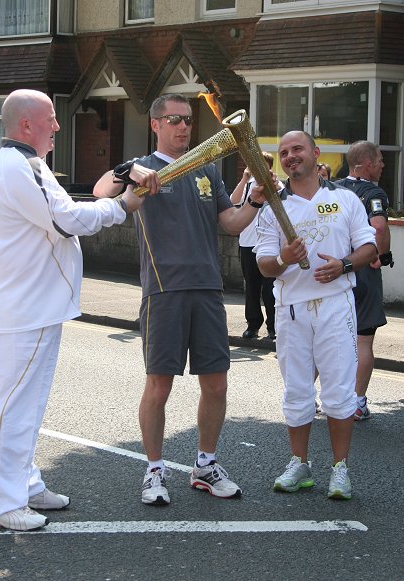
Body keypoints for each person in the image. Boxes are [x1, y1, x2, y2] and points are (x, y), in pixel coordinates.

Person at [0, 89, 159, 531]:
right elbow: (66, 219)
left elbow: (65, 209)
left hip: (33, 306)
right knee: (11, 406)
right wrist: (121, 206)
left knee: (29, 404)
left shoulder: (28, 165)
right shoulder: (19, 167)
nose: (58, 126)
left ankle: (24, 482)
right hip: (25, 307)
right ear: (26, 125)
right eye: (52, 119)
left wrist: (118, 185)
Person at [94, 93, 265, 505]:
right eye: (174, 120)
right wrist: (127, 170)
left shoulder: (207, 169)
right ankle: (154, 470)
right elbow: (101, 192)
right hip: (163, 290)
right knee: (159, 386)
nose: (184, 127)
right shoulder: (144, 169)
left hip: (207, 289)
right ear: (155, 124)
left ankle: (205, 466)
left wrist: (257, 199)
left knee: (217, 384)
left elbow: (232, 223)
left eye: (187, 120)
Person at [255, 131, 377, 500]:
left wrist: (343, 265)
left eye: (298, 149)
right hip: (291, 310)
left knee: (340, 392)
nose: (291, 156)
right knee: (296, 391)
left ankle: (340, 469)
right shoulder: (274, 208)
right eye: (284, 152)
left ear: (315, 153)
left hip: (336, 306)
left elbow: (368, 244)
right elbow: (263, 264)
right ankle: (299, 463)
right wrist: (283, 260)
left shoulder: (345, 199)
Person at [336, 141, 393, 421]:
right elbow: (379, 226)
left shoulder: (330, 189)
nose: (383, 165)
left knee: (327, 338)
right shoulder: (373, 192)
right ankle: (357, 403)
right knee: (363, 341)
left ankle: (308, 399)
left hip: (336, 271)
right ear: (367, 163)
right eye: (380, 160)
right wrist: (380, 255)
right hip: (364, 273)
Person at [230, 154, 278, 340]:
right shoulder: (248, 185)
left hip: (269, 245)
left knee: (270, 288)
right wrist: (244, 178)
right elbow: (233, 201)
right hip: (248, 243)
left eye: (262, 167)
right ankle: (253, 324)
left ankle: (273, 326)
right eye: (255, 167)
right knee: (251, 287)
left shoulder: (277, 186)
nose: (257, 171)